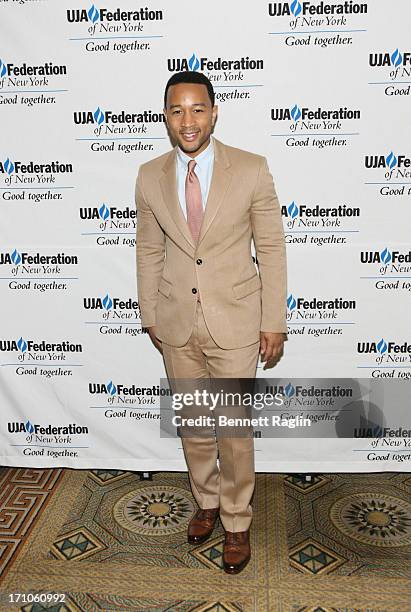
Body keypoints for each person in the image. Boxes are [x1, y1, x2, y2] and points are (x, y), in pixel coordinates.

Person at [135, 71, 287, 574]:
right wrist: (148, 309)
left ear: (215, 111)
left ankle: (237, 522)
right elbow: (149, 248)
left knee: (233, 429)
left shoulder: (251, 169)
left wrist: (274, 319)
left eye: (197, 109)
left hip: (237, 320)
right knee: (196, 425)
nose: (188, 120)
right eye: (177, 110)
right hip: (177, 321)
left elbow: (270, 247)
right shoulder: (149, 175)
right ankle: (206, 501)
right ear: (166, 117)